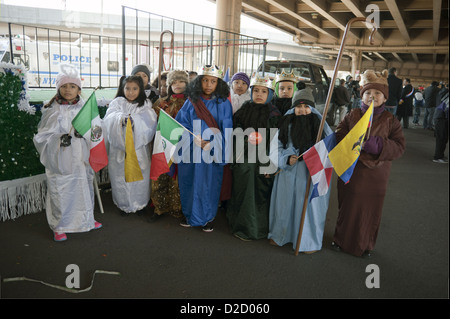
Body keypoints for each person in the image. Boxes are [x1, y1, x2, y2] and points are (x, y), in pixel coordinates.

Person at [331, 69, 405, 257]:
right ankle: (340, 239)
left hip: (376, 175)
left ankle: (365, 245)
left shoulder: (391, 120)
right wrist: (347, 141)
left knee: (370, 211)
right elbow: (339, 133)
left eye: (377, 93)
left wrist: (378, 145)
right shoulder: (353, 115)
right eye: (368, 93)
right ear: (362, 95)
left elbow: (399, 146)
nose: (372, 97)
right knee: (348, 206)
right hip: (352, 170)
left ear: (385, 98)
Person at [33, 64, 102, 242]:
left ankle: (86, 219)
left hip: (81, 157)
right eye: (63, 86)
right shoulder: (52, 110)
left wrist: (86, 134)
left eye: (72, 86)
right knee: (60, 190)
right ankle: (60, 225)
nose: (68, 90)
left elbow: (97, 130)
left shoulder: (85, 108)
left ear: (79, 89)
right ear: (58, 88)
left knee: (83, 186)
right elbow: (42, 137)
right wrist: (59, 139)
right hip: (60, 159)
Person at [268, 88, 333, 253]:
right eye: (299, 107)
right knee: (284, 206)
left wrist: (316, 156)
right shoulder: (286, 123)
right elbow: (275, 148)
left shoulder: (321, 126)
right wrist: (285, 159)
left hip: (310, 175)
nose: (302, 111)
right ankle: (280, 235)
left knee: (308, 208)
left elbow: (329, 150)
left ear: (312, 108)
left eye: (306, 107)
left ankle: (307, 241)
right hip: (288, 173)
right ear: (293, 108)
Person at [174, 65, 233, 232]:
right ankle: (189, 215)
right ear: (198, 82)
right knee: (189, 183)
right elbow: (181, 124)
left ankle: (207, 218)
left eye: (212, 81)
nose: (208, 84)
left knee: (208, 185)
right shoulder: (190, 102)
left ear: (218, 83)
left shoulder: (223, 104)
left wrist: (212, 144)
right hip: (191, 151)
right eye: (205, 80)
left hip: (211, 152)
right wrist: (191, 138)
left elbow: (227, 130)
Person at [226, 74, 282, 241]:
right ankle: (240, 225)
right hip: (243, 159)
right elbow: (233, 133)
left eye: (263, 91)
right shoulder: (243, 110)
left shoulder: (275, 115)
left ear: (270, 94)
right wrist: (246, 139)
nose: (259, 94)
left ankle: (257, 228)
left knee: (260, 195)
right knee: (242, 191)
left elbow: (276, 142)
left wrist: (270, 164)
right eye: (256, 90)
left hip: (263, 161)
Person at [103, 75, 157, 215]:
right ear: (122, 88)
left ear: (141, 89)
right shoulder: (117, 103)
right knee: (120, 176)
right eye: (127, 88)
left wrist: (134, 122)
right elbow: (109, 119)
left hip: (138, 150)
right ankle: (124, 204)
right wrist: (120, 119)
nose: (131, 92)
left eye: (135, 89)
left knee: (140, 177)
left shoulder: (145, 104)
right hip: (119, 149)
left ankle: (140, 203)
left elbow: (150, 122)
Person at [149, 70, 189, 221]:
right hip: (162, 145)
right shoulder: (160, 103)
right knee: (160, 176)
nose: (177, 85)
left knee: (177, 179)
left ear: (186, 83)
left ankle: (178, 208)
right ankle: (159, 207)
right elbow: (152, 124)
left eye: (180, 81)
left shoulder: (191, 103)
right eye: (173, 82)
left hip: (182, 147)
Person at [432, 84, 449, 163]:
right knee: (442, 138)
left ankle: (440, 155)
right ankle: (438, 157)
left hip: (439, 117)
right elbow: (447, 108)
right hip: (441, 118)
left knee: (442, 138)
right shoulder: (446, 94)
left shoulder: (441, 92)